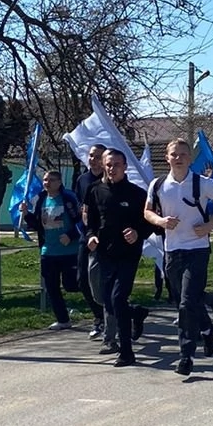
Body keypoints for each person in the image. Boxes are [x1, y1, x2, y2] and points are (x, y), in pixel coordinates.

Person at [145, 138, 213, 377]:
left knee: (185, 303)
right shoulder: (158, 184)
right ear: (167, 158)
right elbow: (147, 211)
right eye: (174, 154)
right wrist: (161, 221)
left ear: (190, 158)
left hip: (197, 248)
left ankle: (186, 355)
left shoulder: (202, 183)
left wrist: (210, 225)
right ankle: (205, 325)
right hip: (172, 250)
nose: (178, 158)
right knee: (183, 298)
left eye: (183, 154)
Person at [83, 148, 150, 366]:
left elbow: (148, 221)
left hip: (128, 254)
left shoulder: (137, 193)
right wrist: (91, 236)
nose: (112, 169)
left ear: (125, 166)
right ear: (103, 165)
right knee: (108, 301)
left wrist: (138, 232)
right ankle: (135, 313)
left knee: (117, 298)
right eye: (109, 164)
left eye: (117, 165)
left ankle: (126, 352)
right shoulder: (94, 190)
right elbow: (90, 220)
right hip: (104, 252)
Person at [24, 169, 83, 331]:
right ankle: (63, 319)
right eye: (45, 180)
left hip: (69, 251)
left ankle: (102, 307)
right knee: (51, 286)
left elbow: (82, 221)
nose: (46, 183)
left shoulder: (68, 198)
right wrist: (26, 215)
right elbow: (37, 224)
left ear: (59, 182)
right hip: (48, 251)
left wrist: (70, 236)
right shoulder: (41, 199)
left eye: (50, 180)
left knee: (72, 285)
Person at [71, 142, 107, 338]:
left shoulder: (108, 180)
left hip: (107, 239)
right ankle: (99, 317)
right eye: (91, 155)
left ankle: (119, 315)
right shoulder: (83, 179)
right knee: (83, 280)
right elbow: (78, 204)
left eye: (98, 156)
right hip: (86, 236)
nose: (93, 160)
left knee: (107, 281)